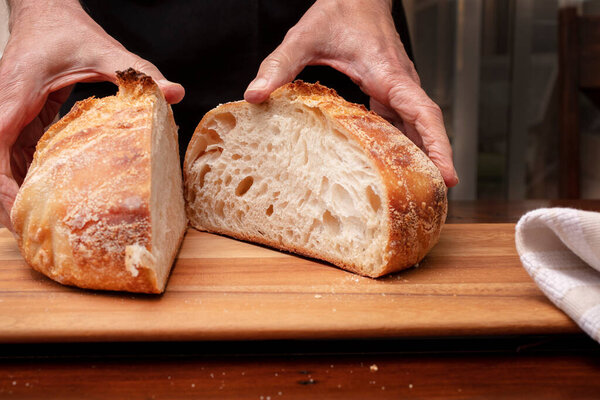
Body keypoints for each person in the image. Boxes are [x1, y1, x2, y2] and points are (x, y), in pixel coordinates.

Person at [0, 0, 458, 231]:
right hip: (109, 59)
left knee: (388, 206)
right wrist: (40, 7)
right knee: (98, 225)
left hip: (331, 42)